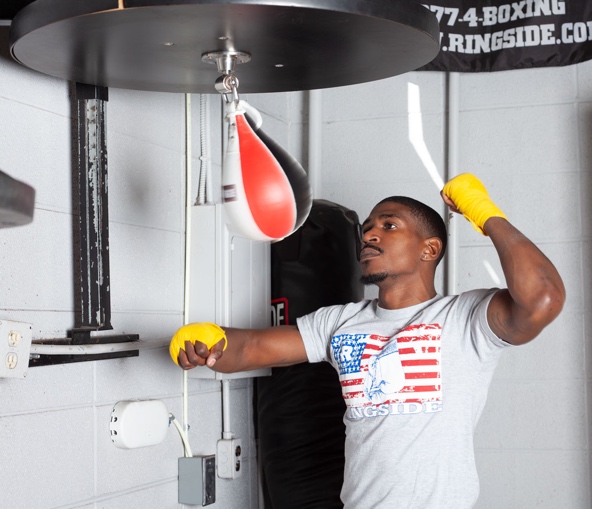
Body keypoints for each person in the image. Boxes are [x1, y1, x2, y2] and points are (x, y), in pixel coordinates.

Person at [169, 173, 565, 508]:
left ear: (430, 249)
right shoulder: (341, 321)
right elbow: (252, 349)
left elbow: (541, 297)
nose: (370, 234)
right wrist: (209, 343)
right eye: (368, 227)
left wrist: (482, 210)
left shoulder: (465, 319)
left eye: (389, 225)